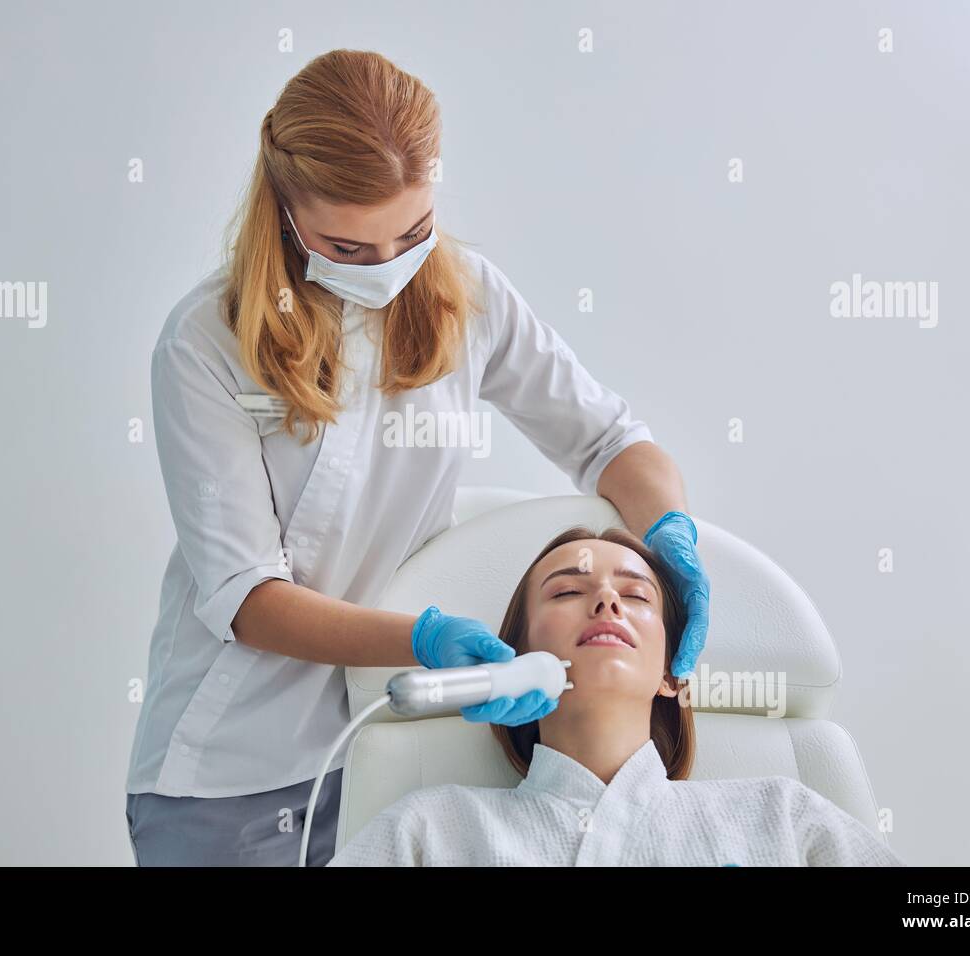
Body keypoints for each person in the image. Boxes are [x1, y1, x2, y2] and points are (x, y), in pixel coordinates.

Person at [124, 49, 708, 866]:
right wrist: (426, 640)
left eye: (413, 231)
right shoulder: (205, 345)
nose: (391, 268)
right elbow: (248, 596)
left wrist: (672, 536)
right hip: (238, 769)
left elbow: (612, 442)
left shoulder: (468, 296)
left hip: (395, 741)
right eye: (349, 247)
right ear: (285, 211)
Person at [328, 526, 904, 866]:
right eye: (569, 590)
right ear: (516, 653)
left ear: (671, 674)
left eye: (637, 596)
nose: (607, 601)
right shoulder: (433, 832)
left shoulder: (782, 816)